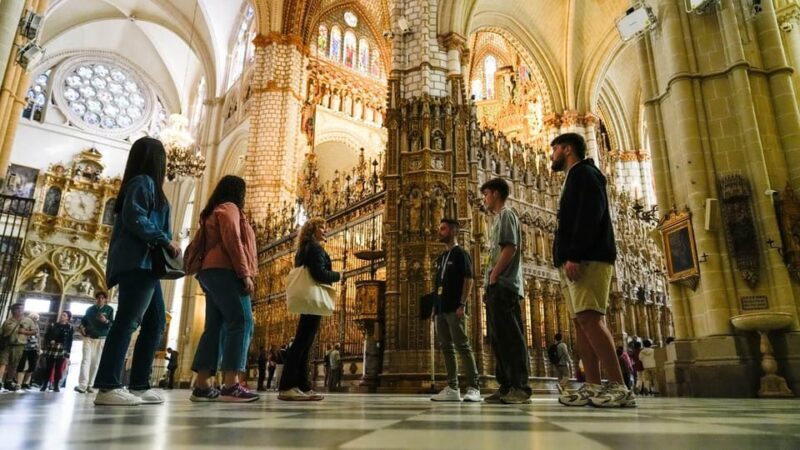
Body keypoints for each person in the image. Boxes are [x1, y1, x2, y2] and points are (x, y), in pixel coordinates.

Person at [93, 137, 180, 406]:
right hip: (137, 262)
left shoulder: (148, 184)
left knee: (155, 323)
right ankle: (107, 386)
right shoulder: (142, 182)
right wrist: (164, 239)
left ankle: (140, 384)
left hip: (146, 265)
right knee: (128, 321)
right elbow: (135, 216)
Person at [550, 133, 636, 408]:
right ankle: (594, 385)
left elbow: (590, 214)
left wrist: (574, 253)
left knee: (591, 319)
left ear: (567, 149)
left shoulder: (585, 174)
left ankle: (620, 387)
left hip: (588, 258)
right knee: (581, 323)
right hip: (576, 259)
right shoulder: (573, 176)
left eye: (553, 150)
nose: (551, 156)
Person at [189, 175, 259, 403]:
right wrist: (245, 272)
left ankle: (202, 384)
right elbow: (233, 240)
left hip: (209, 272)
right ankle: (231, 384)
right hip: (226, 270)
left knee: (215, 327)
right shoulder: (229, 208)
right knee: (242, 321)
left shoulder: (213, 210)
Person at [480, 178, 532, 404]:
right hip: (496, 285)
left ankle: (520, 387)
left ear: (496, 194)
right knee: (498, 338)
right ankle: (506, 385)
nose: (484, 199)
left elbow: (510, 248)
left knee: (510, 337)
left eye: (486, 194)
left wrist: (494, 276)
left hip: (504, 284)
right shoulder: (497, 220)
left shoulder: (507, 215)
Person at [278, 218, 340, 401]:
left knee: (304, 343)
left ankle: (302, 386)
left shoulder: (304, 249)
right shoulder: (314, 248)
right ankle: (288, 386)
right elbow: (319, 273)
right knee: (301, 343)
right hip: (313, 297)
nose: (325, 230)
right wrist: (339, 275)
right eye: (321, 227)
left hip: (308, 298)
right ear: (312, 230)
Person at [430, 218, 481, 403]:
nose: (439, 232)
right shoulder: (442, 257)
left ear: (453, 231)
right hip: (441, 310)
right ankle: (453, 387)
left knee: (462, 346)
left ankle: (474, 387)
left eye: (442, 229)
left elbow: (469, 280)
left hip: (455, 308)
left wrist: (462, 304)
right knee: (446, 348)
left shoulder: (461, 254)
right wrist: (434, 309)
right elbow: (438, 285)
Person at [76, 291, 114, 394]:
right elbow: (82, 323)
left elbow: (112, 324)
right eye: (98, 298)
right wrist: (81, 328)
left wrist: (105, 321)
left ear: (105, 299)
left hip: (101, 338)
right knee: (85, 360)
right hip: (88, 338)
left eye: (102, 298)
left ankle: (91, 385)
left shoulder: (109, 309)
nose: (100, 299)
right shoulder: (90, 309)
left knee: (96, 363)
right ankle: (82, 385)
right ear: (96, 299)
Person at [0, 303, 37, 392]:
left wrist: (24, 332)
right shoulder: (8, 321)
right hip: (7, 345)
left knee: (14, 364)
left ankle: (8, 382)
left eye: (21, 309)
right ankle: (0, 381)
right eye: (17, 309)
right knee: (2, 362)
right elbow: (1, 333)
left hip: (19, 345)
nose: (20, 311)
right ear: (13, 311)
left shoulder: (28, 321)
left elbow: (34, 331)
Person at [40, 311, 74, 392]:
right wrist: (50, 341)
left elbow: (70, 340)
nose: (62, 316)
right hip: (52, 347)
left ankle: (56, 385)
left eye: (64, 315)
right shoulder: (54, 325)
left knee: (59, 368)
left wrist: (68, 352)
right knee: (48, 367)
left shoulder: (70, 327)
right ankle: (44, 385)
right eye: (61, 315)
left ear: (68, 318)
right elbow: (47, 336)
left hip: (62, 348)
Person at [16, 312, 40, 390]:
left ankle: (26, 382)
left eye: (36, 319)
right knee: (21, 365)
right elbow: (21, 331)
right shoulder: (25, 322)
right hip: (24, 347)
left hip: (33, 348)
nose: (35, 320)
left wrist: (39, 347)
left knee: (32, 366)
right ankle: (18, 383)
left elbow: (38, 337)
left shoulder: (36, 326)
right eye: (34, 318)